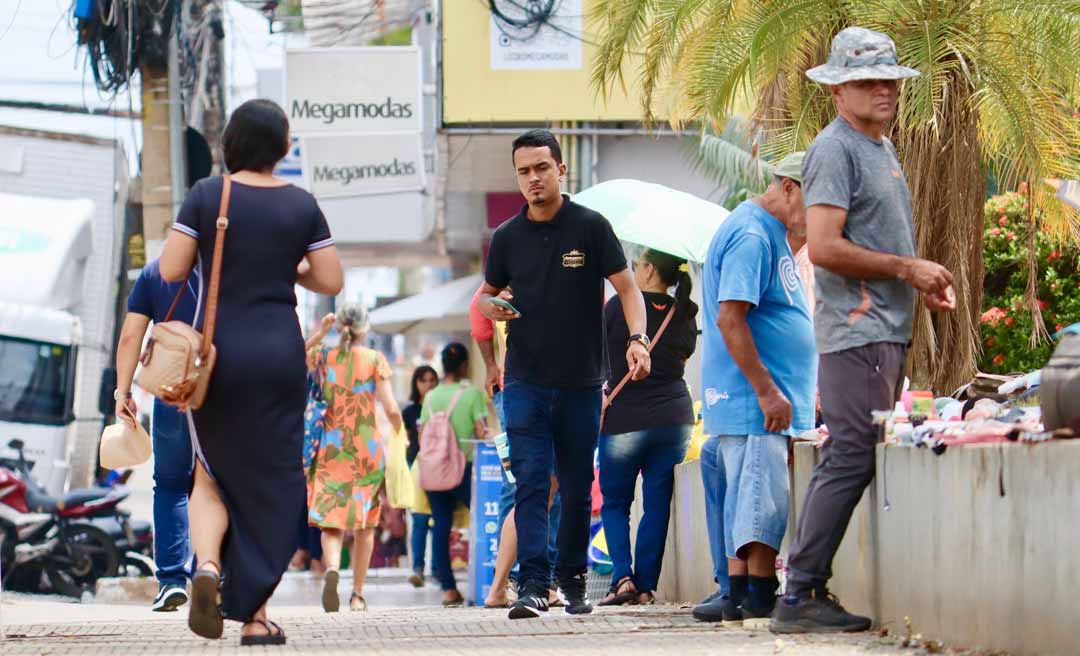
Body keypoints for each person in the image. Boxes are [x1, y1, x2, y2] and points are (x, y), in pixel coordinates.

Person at [771, 27, 955, 634]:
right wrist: (906, 267)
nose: (882, 90)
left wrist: (917, 281)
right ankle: (798, 594)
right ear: (837, 91)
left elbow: (873, 240)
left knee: (851, 453)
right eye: (866, 81)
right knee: (850, 452)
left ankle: (804, 590)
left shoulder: (881, 148)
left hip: (884, 328)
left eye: (889, 80)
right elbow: (823, 247)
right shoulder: (835, 148)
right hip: (857, 332)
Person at [158, 98, 344, 646]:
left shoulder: (206, 196)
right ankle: (257, 620)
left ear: (229, 143)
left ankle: (209, 568)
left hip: (217, 357)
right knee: (270, 482)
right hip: (279, 355)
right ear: (283, 148)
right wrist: (286, 264)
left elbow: (171, 268)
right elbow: (330, 279)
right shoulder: (301, 205)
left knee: (211, 472)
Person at [478, 129, 651, 619]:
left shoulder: (591, 227)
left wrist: (637, 339)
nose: (533, 179)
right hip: (525, 383)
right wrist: (496, 308)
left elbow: (628, 289)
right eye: (524, 172)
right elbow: (486, 298)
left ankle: (572, 582)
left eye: (541, 168)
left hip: (580, 383)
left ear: (561, 170)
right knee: (532, 482)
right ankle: (532, 584)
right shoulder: (507, 238)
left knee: (576, 485)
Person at [692, 153, 817, 627]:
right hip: (754, 401)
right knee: (762, 496)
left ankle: (741, 592)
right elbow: (730, 318)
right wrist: (767, 391)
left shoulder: (769, 232)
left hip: (755, 400)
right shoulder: (752, 233)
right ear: (788, 187)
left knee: (748, 496)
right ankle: (761, 594)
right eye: (814, 198)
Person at [597, 248, 698, 606]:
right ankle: (645, 587)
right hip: (673, 420)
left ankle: (622, 578)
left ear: (650, 269)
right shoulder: (685, 311)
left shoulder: (616, 309)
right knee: (656, 504)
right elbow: (682, 358)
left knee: (615, 503)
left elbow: (601, 359)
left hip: (625, 418)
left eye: (638, 264)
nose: (634, 270)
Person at [305, 304, 403, 613]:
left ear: (339, 328)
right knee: (365, 526)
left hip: (331, 448)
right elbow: (390, 408)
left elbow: (295, 354)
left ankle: (332, 568)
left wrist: (320, 334)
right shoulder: (375, 360)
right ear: (365, 328)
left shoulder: (323, 356)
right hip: (366, 450)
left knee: (331, 523)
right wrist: (402, 434)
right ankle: (357, 594)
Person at [469, 287, 563, 610]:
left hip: (532, 391)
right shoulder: (511, 275)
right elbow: (477, 315)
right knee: (531, 486)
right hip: (526, 392)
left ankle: (521, 581)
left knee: (542, 487)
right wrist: (491, 366)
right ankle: (519, 580)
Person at [113, 259, 198, 612]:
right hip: (221, 391)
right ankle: (212, 574)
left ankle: (171, 582)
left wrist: (123, 392)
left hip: (170, 390)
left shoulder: (155, 272)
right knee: (219, 484)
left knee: (171, 484)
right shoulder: (229, 267)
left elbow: (131, 336)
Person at [418, 342, 489, 607]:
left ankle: (448, 588)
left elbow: (423, 433)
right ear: (464, 365)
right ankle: (488, 578)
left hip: (434, 469)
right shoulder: (471, 394)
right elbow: (482, 432)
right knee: (481, 520)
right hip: (463, 470)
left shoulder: (431, 396)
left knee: (441, 525)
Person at [402, 364, 439, 587]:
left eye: (432, 380)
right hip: (416, 466)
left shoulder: (440, 404)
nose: (428, 384)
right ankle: (418, 567)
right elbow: (407, 441)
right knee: (419, 518)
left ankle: (436, 568)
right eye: (423, 380)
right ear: (416, 383)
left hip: (439, 466)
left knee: (438, 518)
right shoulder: (410, 412)